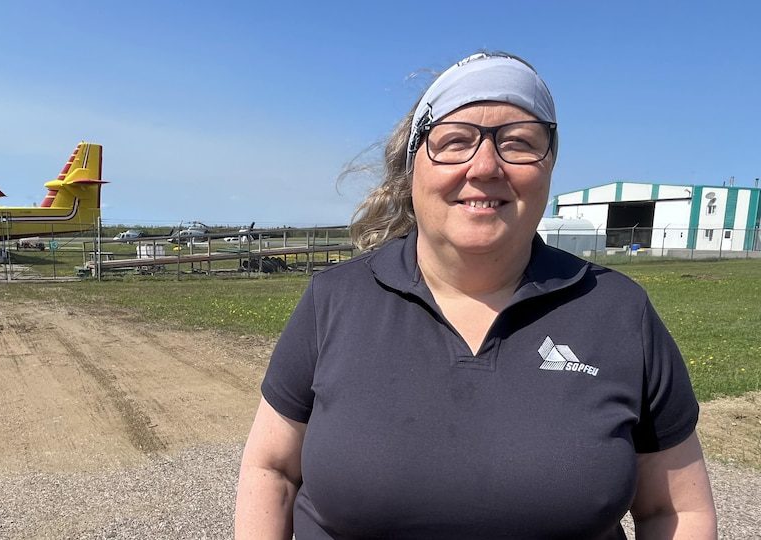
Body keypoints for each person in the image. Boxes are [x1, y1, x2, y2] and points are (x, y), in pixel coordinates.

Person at [235, 52, 717, 539]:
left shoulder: (617, 311)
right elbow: (271, 469)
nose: (485, 165)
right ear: (412, 167)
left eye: (518, 142)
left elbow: (674, 511)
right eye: (456, 141)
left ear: (548, 168)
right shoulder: (334, 300)